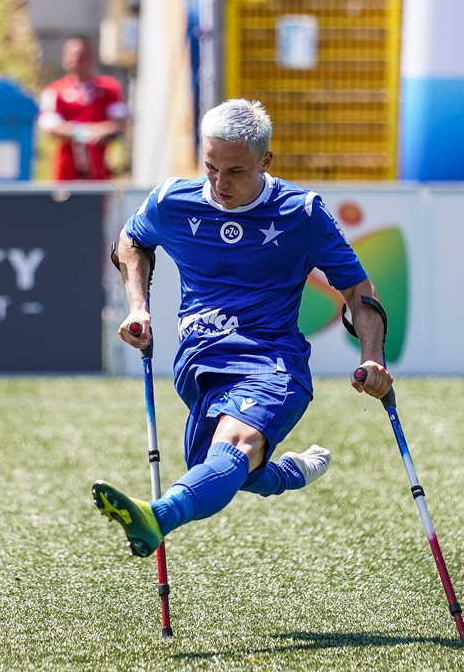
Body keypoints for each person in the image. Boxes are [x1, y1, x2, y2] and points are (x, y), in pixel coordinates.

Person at [92, 99, 393, 557]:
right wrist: (138, 307)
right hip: (199, 365)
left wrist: (373, 358)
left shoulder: (301, 212)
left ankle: (157, 517)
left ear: (265, 161)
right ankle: (286, 474)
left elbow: (357, 289)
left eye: (235, 171)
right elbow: (131, 241)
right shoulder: (172, 201)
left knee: (234, 445)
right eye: (210, 168)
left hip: (273, 362)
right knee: (221, 469)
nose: (219, 184)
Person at [37, 37, 127, 181]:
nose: (79, 61)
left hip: (100, 169)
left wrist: (97, 132)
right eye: (74, 56)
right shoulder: (54, 91)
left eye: (84, 56)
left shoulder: (110, 88)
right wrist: (80, 132)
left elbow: (119, 122)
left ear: (93, 57)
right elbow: (50, 125)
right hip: (66, 169)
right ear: (65, 58)